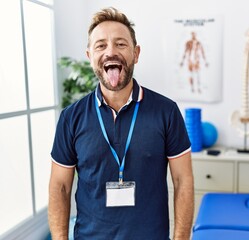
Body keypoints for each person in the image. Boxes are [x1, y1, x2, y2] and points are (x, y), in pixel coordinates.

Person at [48, 7, 194, 240]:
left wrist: (181, 238)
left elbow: (183, 180)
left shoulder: (167, 111)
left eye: (120, 44)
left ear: (136, 54)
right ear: (90, 57)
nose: (110, 52)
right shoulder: (71, 117)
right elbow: (60, 187)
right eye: (101, 45)